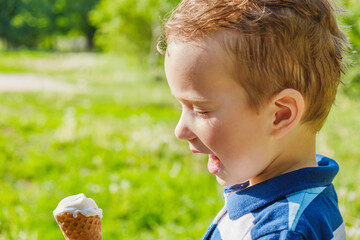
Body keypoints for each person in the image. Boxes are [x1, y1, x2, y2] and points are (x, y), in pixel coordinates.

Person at [158, 0, 348, 239]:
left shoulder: (282, 231)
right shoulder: (293, 193)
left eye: (201, 110)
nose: (180, 130)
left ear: (281, 115)